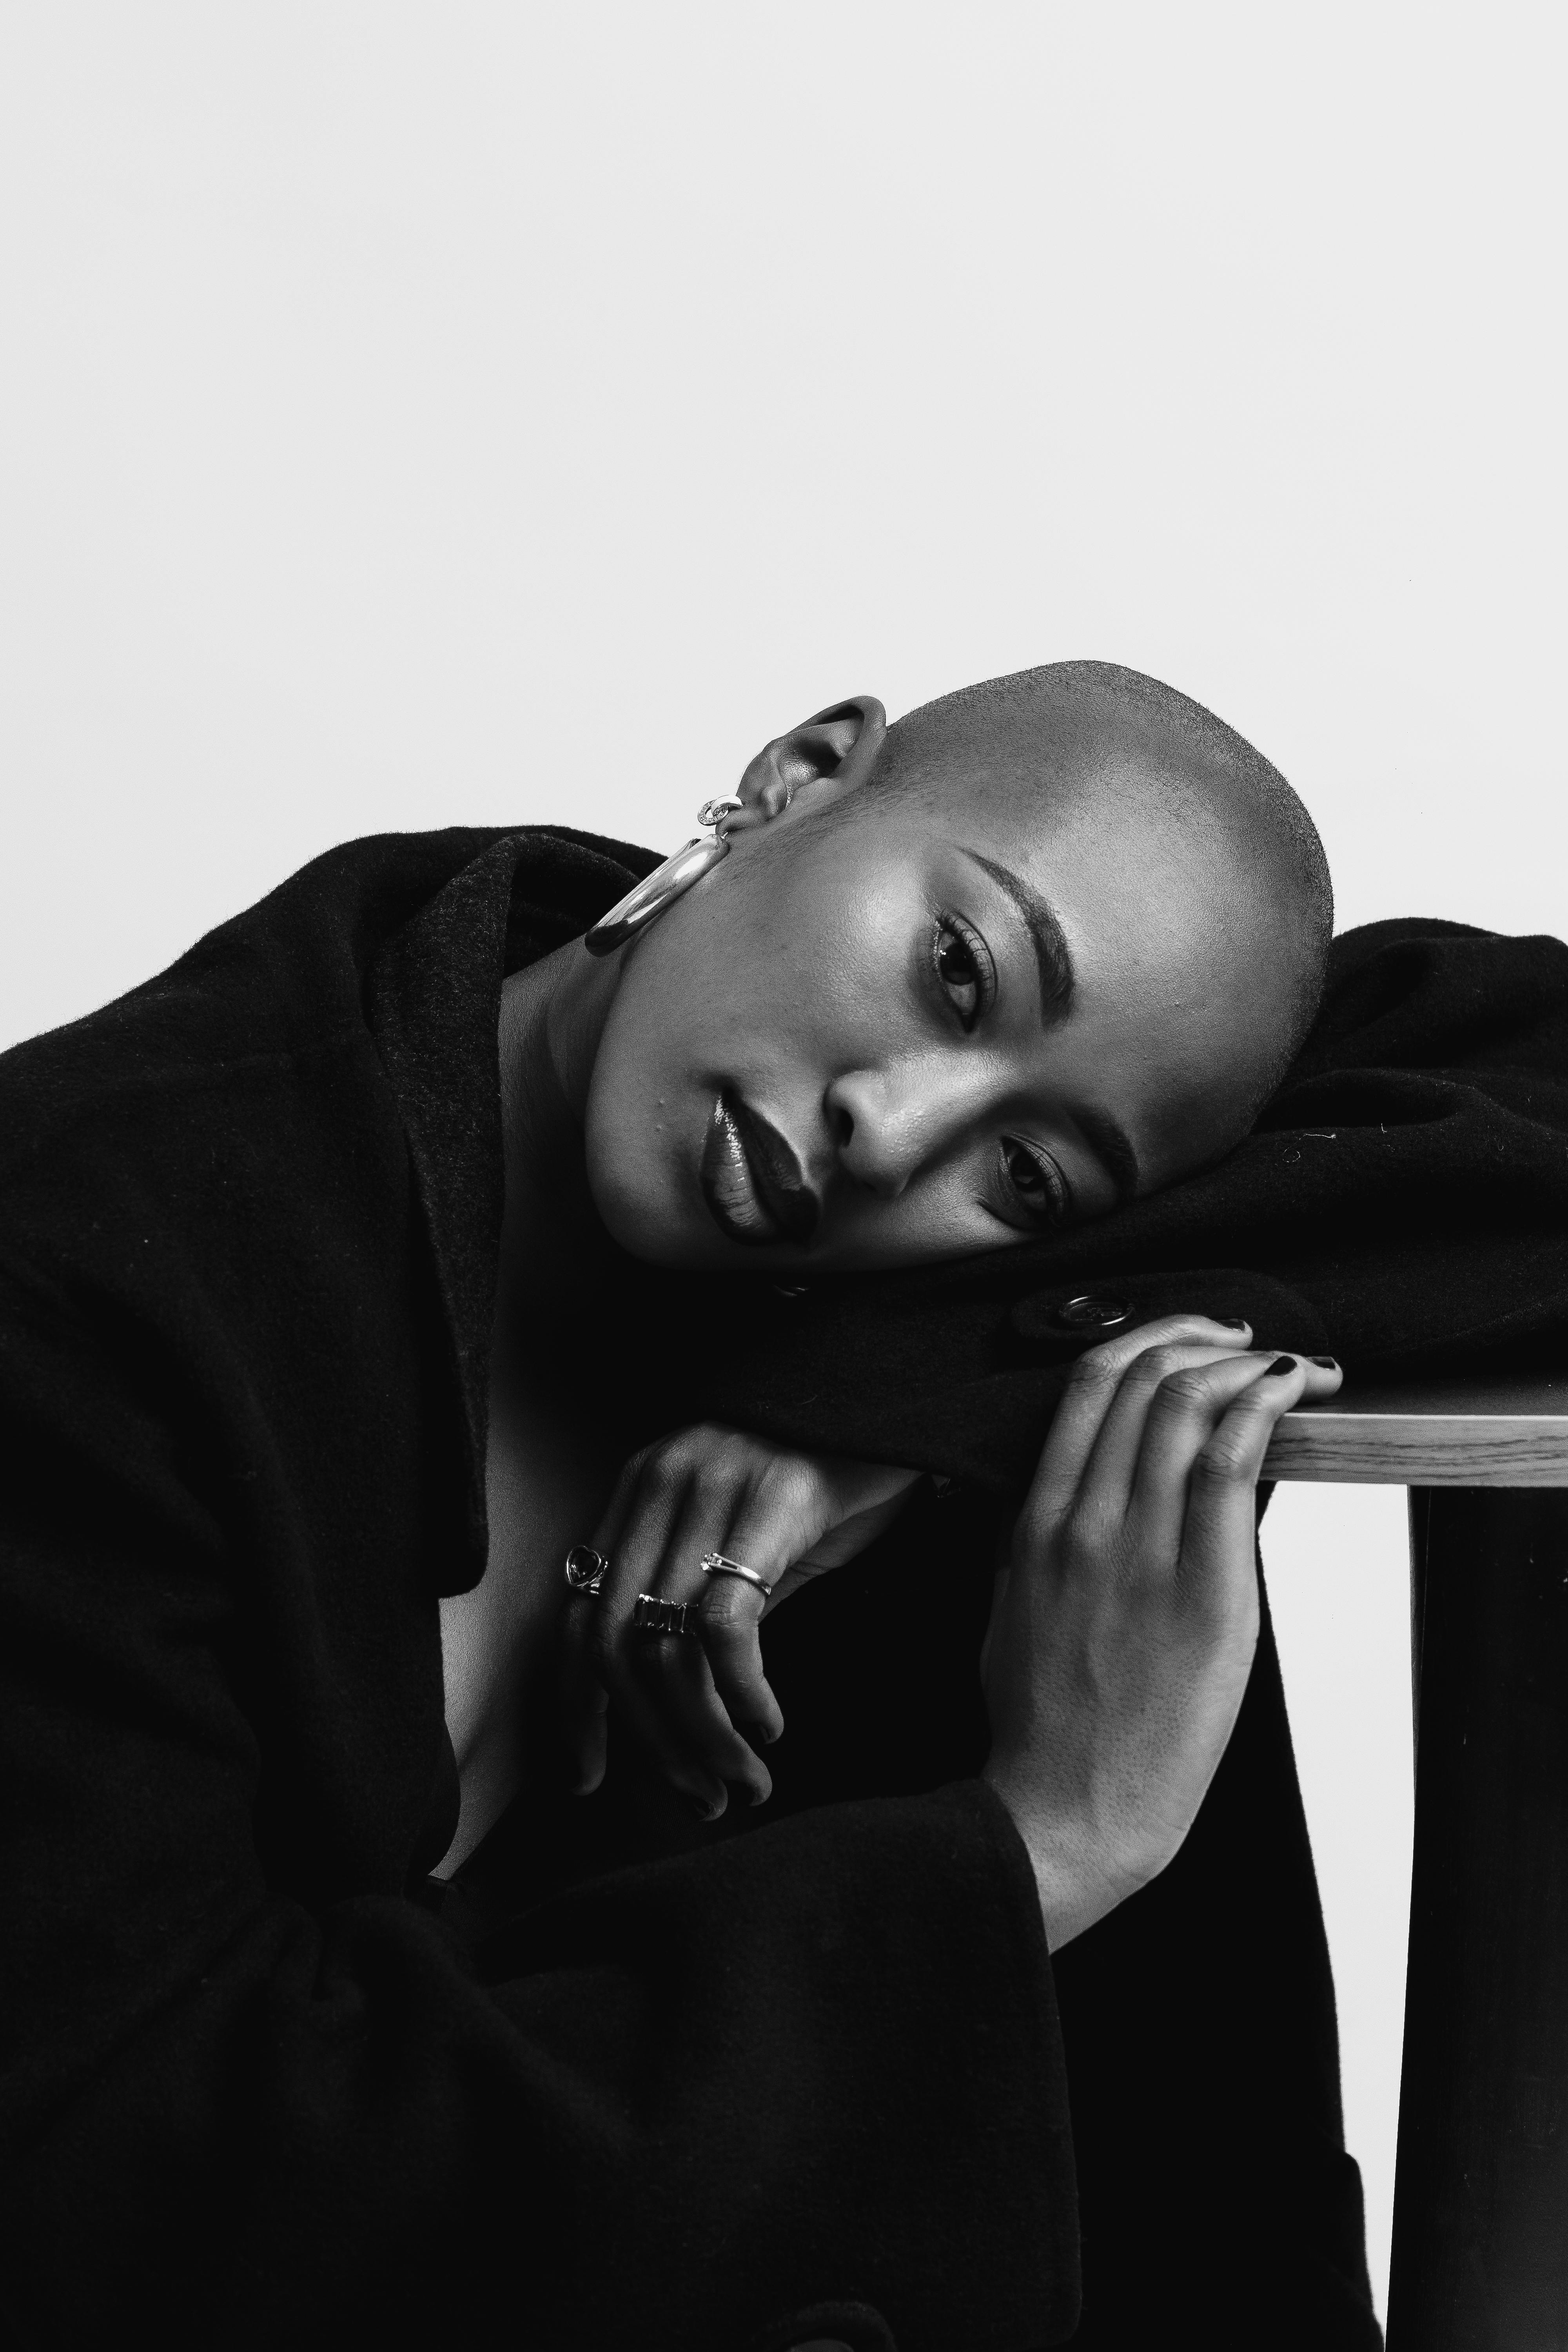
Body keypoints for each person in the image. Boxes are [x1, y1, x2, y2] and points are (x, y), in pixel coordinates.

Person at [0, 662, 1375, 2350]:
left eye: (1026, 1175)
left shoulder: (930, 1352)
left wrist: (880, 1411)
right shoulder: (85, 1267)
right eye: (956, 972)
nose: (896, 1136)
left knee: (1139, 1445)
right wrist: (1038, 1849)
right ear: (799, 775)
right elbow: (131, 2200)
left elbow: (1521, 1065)